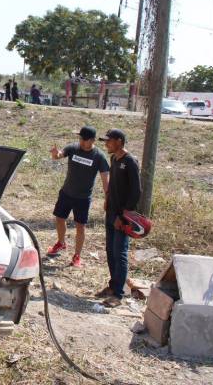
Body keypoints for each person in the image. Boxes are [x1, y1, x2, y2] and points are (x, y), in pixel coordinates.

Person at [47, 126, 110, 267]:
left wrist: (108, 198)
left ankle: (77, 256)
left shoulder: (99, 156)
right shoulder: (73, 148)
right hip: (66, 193)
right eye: (80, 138)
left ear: (92, 140)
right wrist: (55, 154)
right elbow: (58, 156)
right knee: (59, 218)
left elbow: (105, 179)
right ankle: (61, 243)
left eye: (84, 139)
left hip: (83, 198)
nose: (80, 141)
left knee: (80, 227)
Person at [97, 129, 142, 307]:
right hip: (111, 213)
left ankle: (118, 295)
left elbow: (136, 192)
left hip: (122, 217)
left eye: (109, 141)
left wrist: (123, 216)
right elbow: (113, 185)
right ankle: (113, 285)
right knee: (110, 250)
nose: (106, 144)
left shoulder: (130, 161)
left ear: (119, 141)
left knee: (120, 252)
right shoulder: (114, 159)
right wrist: (107, 199)